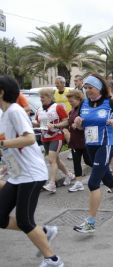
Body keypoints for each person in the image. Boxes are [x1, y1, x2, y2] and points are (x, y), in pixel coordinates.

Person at [0, 75, 64, 267]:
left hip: (31, 174)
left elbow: (29, 139)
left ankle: (53, 260)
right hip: (17, 174)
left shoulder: (14, 111)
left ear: (2, 92)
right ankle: (44, 232)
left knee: (25, 220)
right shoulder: (4, 114)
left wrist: (2, 143)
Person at [72, 74, 113, 234]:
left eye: (90, 88)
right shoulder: (84, 103)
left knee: (93, 183)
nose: (87, 91)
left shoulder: (109, 102)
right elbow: (80, 126)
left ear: (98, 88)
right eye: (85, 88)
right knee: (107, 179)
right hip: (90, 145)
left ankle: (91, 222)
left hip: (106, 145)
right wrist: (78, 123)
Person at [33, 88, 74, 193]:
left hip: (57, 136)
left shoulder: (57, 107)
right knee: (56, 160)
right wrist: (34, 123)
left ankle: (52, 184)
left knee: (51, 160)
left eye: (43, 97)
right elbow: (38, 122)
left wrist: (55, 125)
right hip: (44, 137)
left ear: (50, 97)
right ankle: (69, 175)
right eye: (40, 97)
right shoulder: (39, 110)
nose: (41, 99)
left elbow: (66, 122)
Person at [53, 89, 92, 192]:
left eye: (72, 101)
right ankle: (79, 183)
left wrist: (79, 125)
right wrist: (55, 125)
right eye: (69, 101)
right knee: (76, 161)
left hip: (84, 140)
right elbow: (68, 122)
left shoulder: (84, 109)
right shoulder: (72, 110)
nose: (70, 103)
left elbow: (87, 124)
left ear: (79, 99)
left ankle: (104, 172)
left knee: (89, 161)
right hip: (74, 140)